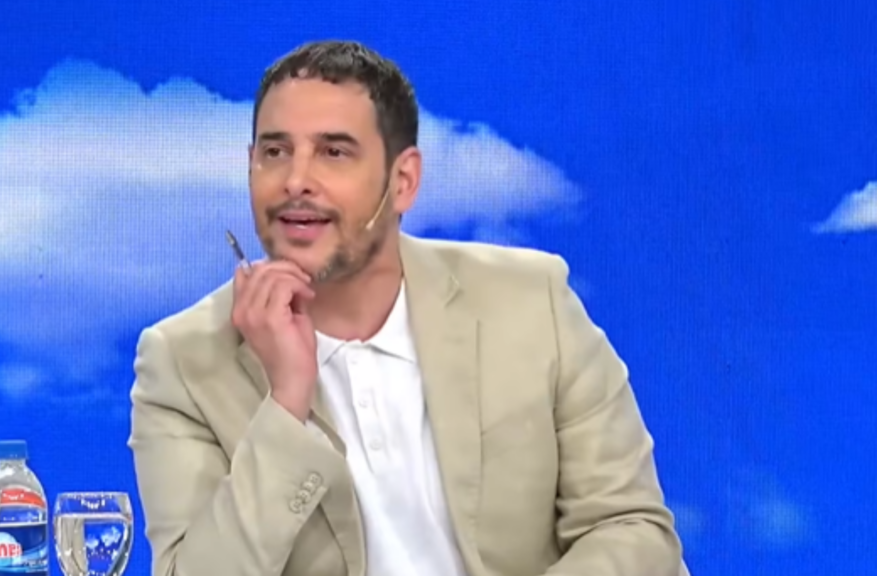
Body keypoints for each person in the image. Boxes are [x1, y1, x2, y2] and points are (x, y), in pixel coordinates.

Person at [128, 40, 690, 576]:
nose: (296, 181)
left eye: (333, 152)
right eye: (275, 152)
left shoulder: (531, 299)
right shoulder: (180, 363)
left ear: (403, 181)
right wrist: (285, 405)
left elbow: (633, 532)